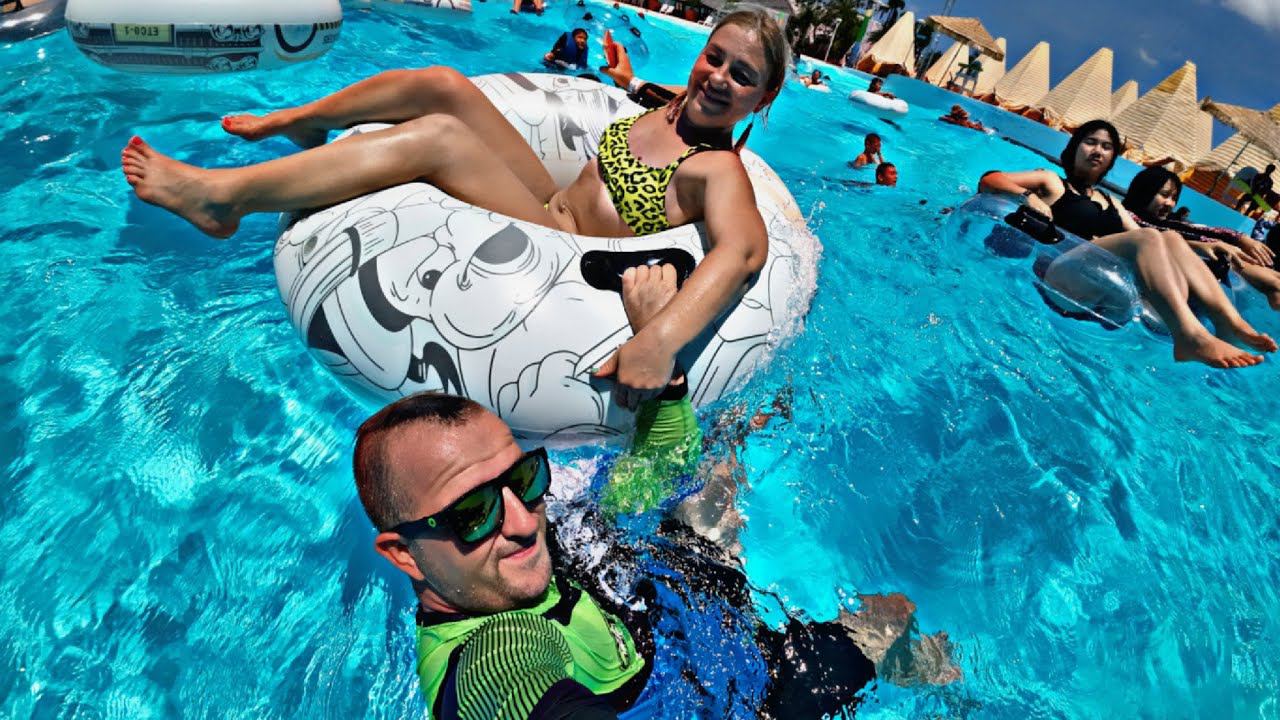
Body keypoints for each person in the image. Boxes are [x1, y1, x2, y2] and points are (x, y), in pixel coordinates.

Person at [355, 268, 959, 719]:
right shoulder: (491, 657)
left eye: (522, 478)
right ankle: (952, 688)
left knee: (712, 457)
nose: (521, 521)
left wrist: (660, 353)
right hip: (753, 698)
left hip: (671, 612)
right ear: (403, 553)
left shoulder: (506, 557)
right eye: (472, 512)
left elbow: (658, 474)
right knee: (893, 619)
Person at [123, 8, 790, 412]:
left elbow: (744, 250)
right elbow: (651, 90)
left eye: (743, 77)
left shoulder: (716, 169)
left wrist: (659, 340)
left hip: (553, 244)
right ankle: (301, 120)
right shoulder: (670, 105)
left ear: (762, 101)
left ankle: (224, 199)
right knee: (445, 85)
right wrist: (626, 81)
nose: (719, 78)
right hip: (546, 200)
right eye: (715, 58)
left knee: (440, 139)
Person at [980, 119, 1276, 369]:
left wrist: (1203, 247)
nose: (1098, 150)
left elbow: (1153, 238)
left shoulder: (1111, 203)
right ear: (1075, 147)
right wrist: (1028, 197)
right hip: (1058, 274)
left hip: (1096, 281)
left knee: (1169, 237)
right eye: (1090, 142)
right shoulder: (1052, 181)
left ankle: (1228, 322)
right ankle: (1189, 336)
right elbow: (991, 179)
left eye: (1106, 147)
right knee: (1148, 237)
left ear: (1112, 159)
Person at [1123, 166, 1280, 310]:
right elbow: (1154, 235)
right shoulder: (1128, 217)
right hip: (1210, 261)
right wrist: (1206, 244)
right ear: (1144, 191)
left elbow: (1196, 230)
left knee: (1276, 280)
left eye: (1174, 198)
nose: (1170, 203)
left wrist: (1240, 238)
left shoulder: (1163, 220)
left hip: (1217, 259)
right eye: (1164, 195)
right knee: (1275, 284)